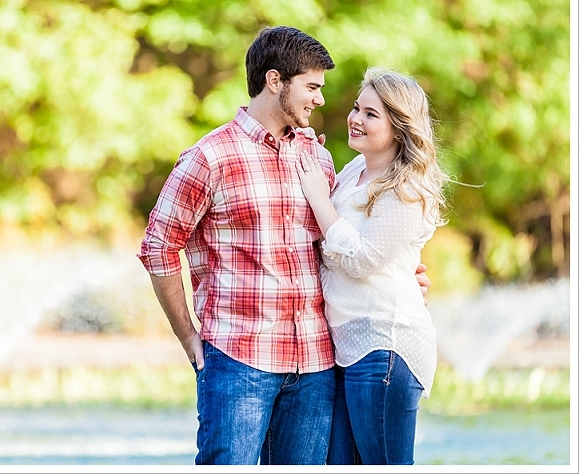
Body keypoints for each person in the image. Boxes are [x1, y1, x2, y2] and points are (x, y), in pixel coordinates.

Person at [138, 26, 429, 465]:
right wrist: (187, 334)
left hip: (316, 362)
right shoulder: (210, 157)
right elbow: (158, 246)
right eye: (312, 87)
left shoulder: (320, 158)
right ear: (275, 81)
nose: (320, 99)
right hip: (240, 359)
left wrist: (401, 275)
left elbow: (340, 246)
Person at [296, 67, 448, 465]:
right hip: (347, 347)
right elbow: (330, 243)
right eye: (356, 108)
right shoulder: (352, 173)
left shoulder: (407, 190)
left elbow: (362, 260)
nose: (355, 118)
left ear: (399, 128)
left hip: (385, 345)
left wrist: (318, 197)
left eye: (371, 114)